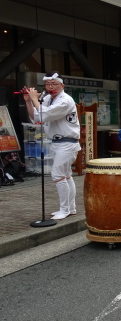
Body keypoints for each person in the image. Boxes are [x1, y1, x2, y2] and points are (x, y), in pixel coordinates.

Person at [21, 72, 80, 220]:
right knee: (66, 175)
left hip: (67, 142)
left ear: (62, 86)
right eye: (47, 84)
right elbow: (36, 118)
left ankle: (65, 209)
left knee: (58, 174)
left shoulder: (66, 100)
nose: (50, 87)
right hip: (57, 142)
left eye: (54, 84)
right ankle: (70, 208)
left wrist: (35, 99)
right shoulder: (48, 98)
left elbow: (44, 114)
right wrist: (29, 101)